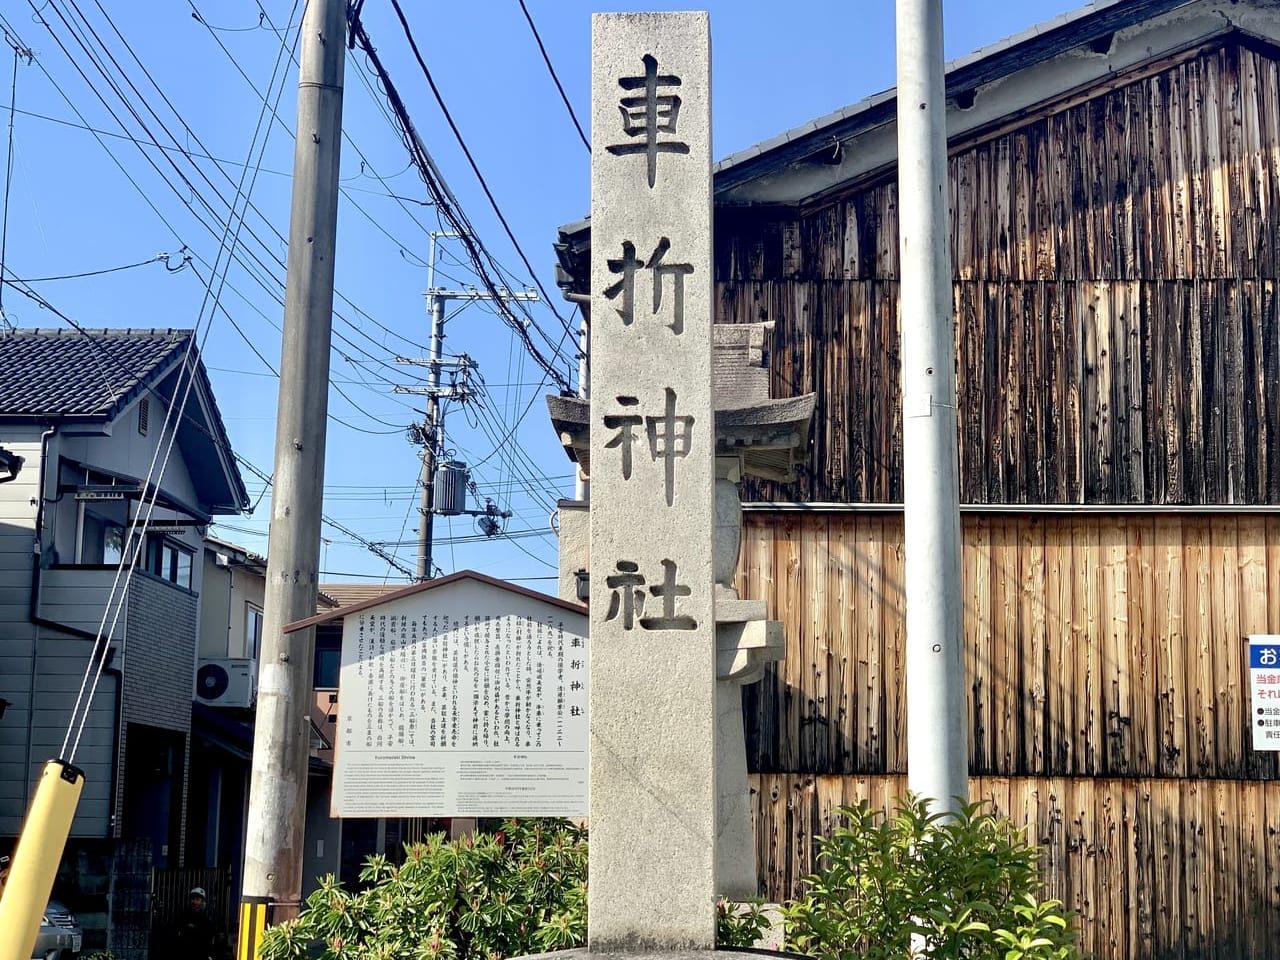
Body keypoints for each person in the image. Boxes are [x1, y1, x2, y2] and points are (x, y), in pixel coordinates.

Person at [172, 886, 229, 960]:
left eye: (197, 899)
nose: (195, 902)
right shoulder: (183, 915)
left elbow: (210, 938)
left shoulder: (206, 919)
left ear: (202, 902)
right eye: (193, 899)